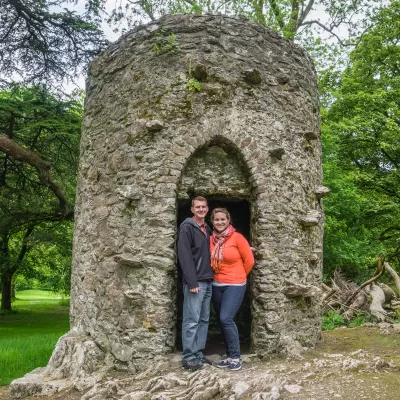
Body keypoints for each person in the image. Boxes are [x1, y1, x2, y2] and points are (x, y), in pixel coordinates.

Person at [210, 207, 254, 371]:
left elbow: (249, 261)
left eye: (223, 219)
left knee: (226, 318)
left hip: (235, 284)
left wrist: (239, 276)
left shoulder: (237, 238)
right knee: (223, 322)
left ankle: (236, 357)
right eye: (216, 219)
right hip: (216, 284)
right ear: (212, 222)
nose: (220, 222)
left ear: (228, 221)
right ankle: (229, 357)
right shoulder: (211, 240)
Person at [177, 196, 214, 371]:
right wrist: (192, 281)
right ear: (192, 209)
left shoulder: (207, 229)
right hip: (195, 282)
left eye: (203, 207)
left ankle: (198, 353)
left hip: (208, 280)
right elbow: (184, 256)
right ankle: (188, 356)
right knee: (192, 320)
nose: (201, 209)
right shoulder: (187, 227)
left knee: (204, 319)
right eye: (197, 207)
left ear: (207, 209)